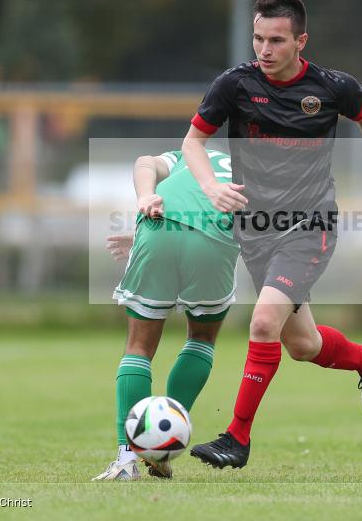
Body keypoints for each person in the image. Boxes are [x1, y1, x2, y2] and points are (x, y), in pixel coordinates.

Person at [181, 0, 362, 469]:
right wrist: (211, 187)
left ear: (300, 41)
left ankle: (236, 438)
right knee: (302, 344)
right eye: (258, 38)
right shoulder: (235, 84)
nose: (264, 49)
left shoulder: (331, 87)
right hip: (257, 230)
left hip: (311, 225)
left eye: (276, 40)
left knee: (263, 322)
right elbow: (193, 142)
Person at [92, 148, 240, 481]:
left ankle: (126, 459)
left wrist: (146, 197)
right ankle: (160, 442)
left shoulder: (192, 152)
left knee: (138, 348)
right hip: (216, 240)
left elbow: (144, 162)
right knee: (202, 339)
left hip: (158, 228)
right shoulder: (260, 170)